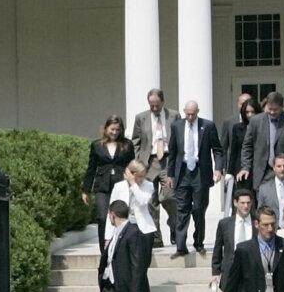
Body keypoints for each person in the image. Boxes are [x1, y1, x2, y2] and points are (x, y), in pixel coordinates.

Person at [166, 99, 222, 257]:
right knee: (182, 209)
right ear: (184, 112)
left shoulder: (208, 126)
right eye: (187, 114)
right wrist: (171, 175)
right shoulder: (177, 126)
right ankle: (181, 246)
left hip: (200, 172)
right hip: (182, 173)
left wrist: (218, 168)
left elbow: (217, 149)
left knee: (198, 209)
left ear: (198, 112)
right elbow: (173, 152)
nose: (190, 117)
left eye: (193, 114)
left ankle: (199, 243)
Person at [130, 89, 179, 246]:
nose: (154, 108)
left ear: (163, 102)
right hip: (148, 162)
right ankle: (156, 237)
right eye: (152, 105)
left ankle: (174, 226)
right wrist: (138, 161)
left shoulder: (174, 115)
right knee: (150, 201)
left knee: (169, 196)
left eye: (157, 105)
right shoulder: (141, 118)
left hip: (167, 160)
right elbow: (135, 140)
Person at [238, 90, 284, 194]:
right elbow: (247, 146)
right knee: (263, 206)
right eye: (270, 109)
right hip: (262, 171)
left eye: (276, 110)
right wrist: (246, 167)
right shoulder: (256, 121)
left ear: (282, 107)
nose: (272, 112)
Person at [81, 115, 132, 250]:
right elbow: (91, 168)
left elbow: (132, 165)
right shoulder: (97, 145)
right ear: (105, 129)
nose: (114, 133)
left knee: (121, 217)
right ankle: (104, 250)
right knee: (103, 218)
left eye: (117, 130)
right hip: (102, 187)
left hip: (121, 186)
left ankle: (120, 248)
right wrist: (86, 190)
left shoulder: (127, 145)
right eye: (112, 129)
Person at [211, 186, 258, 291]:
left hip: (252, 272)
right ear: (236, 203)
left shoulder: (257, 223)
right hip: (230, 272)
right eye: (242, 203)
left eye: (248, 203)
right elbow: (217, 249)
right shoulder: (225, 224)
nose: (246, 206)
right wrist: (215, 272)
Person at [221, 94, 259, 212]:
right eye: (247, 112)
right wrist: (230, 172)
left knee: (257, 201)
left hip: (257, 167)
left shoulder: (262, 127)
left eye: (252, 112)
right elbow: (233, 151)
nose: (250, 115)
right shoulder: (237, 128)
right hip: (241, 169)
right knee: (242, 199)